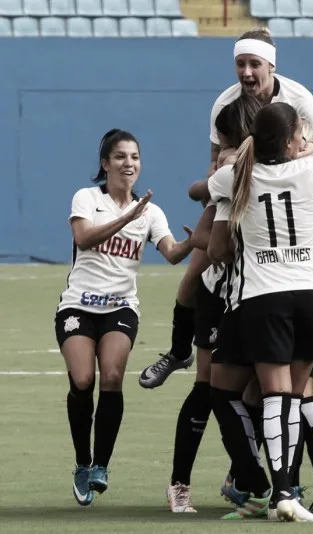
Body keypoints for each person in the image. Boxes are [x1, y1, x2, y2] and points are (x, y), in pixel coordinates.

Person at [139, 25, 313, 389]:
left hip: (287, 196)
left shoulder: (300, 99)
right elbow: (214, 166)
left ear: (271, 66)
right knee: (194, 276)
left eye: (253, 64)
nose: (246, 72)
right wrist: (221, 177)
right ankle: (179, 350)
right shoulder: (225, 105)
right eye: (240, 64)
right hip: (240, 193)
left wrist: (304, 153)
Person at [207, 101, 313, 522]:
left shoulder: (233, 176)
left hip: (264, 295)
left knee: (274, 397)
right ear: (289, 139)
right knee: (294, 397)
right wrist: (312, 152)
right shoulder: (312, 171)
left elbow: (208, 194)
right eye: (299, 134)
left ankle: (277, 490)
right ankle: (289, 492)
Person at [56, 129, 193, 507]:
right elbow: (83, 239)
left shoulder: (152, 212)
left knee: (112, 376)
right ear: (105, 164)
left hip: (120, 307)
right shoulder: (87, 198)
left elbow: (171, 252)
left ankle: (101, 465)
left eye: (134, 157)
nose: (128, 163)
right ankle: (82, 462)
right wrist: (129, 215)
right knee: (83, 379)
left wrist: (195, 242)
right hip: (77, 306)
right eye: (119, 157)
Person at [166, 95, 263, 513]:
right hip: (220, 291)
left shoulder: (280, 172)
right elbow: (208, 236)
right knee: (208, 385)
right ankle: (179, 483)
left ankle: (241, 476)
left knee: (259, 389)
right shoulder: (228, 170)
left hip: (257, 293)